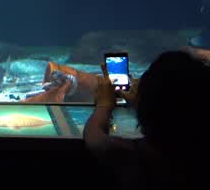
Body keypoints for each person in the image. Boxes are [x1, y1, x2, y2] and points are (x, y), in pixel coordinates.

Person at [84, 47, 210, 188]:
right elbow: (173, 110)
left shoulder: (139, 155)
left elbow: (95, 138)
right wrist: (141, 102)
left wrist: (104, 104)